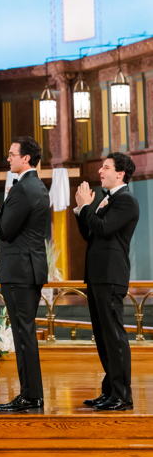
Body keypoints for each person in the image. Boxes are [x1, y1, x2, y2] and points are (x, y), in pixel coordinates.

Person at [0, 136, 50, 413]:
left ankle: (30, 396)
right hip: (30, 269)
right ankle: (32, 394)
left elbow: (4, 230)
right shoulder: (38, 187)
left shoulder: (23, 189)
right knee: (24, 333)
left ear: (25, 158)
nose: (8, 158)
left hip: (19, 271)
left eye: (12, 154)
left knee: (23, 334)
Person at [75, 152, 140, 411]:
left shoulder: (126, 201)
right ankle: (110, 390)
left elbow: (103, 229)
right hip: (97, 275)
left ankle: (122, 396)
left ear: (120, 173)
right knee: (102, 337)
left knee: (114, 336)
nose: (100, 171)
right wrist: (82, 209)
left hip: (111, 276)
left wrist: (87, 207)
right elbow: (89, 233)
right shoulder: (105, 200)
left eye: (106, 167)